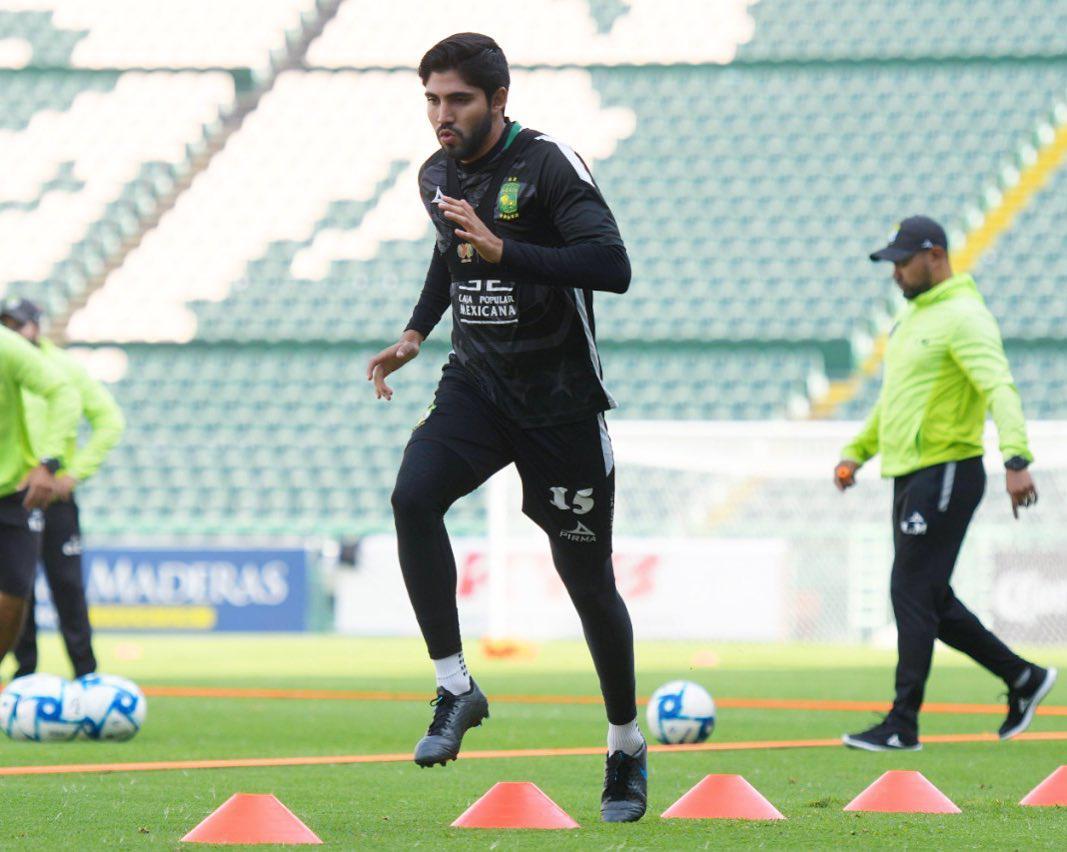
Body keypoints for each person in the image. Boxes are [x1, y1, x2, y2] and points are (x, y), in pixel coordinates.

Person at [366, 33, 645, 821]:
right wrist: (416, 332)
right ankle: (455, 687)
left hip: (560, 402)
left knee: (587, 584)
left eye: (457, 100)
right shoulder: (436, 173)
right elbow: (449, 255)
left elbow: (612, 267)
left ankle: (624, 746)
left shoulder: (550, 165)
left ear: (497, 99)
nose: (442, 114)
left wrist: (505, 249)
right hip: (478, 388)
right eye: (431, 99)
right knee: (412, 498)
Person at [834, 216, 1057, 751]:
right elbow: (895, 402)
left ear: (935, 256)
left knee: (910, 590)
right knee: (928, 596)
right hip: (911, 474)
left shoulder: (964, 316)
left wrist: (1016, 457)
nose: (895, 273)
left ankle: (902, 723)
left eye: (902, 262)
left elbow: (999, 386)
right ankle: (1023, 676)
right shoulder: (911, 319)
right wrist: (857, 452)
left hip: (948, 469)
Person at [1, 299, 125, 679]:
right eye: (5, 323)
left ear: (36, 325)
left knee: (66, 587)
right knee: (19, 588)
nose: (11, 330)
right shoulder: (10, 359)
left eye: (17, 323)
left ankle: (86, 675)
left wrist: (69, 474)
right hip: (18, 494)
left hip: (53, 498)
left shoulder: (63, 368)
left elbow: (109, 421)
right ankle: (24, 678)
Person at [0, 319, 79, 677]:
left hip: (10, 491)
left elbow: (63, 392)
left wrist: (49, 463)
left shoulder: (7, 346)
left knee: (15, 593)